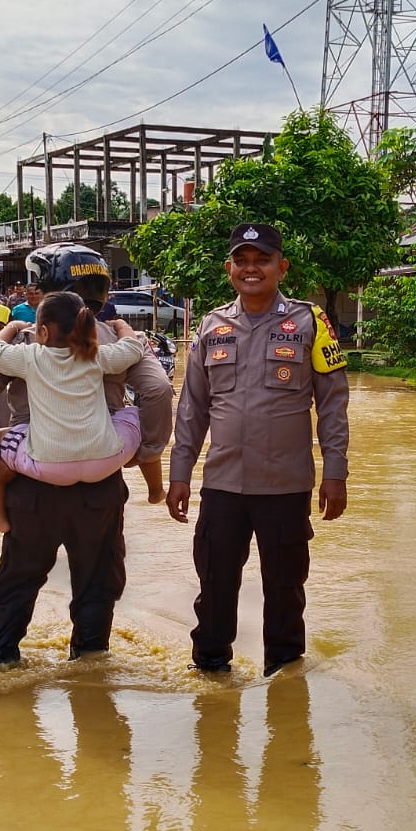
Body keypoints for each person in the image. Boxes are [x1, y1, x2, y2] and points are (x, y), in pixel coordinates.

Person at [0, 243, 174, 671]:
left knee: (18, 582)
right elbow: (156, 391)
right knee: (98, 582)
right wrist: (143, 452)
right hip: (99, 485)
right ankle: (91, 672)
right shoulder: (114, 340)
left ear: (44, 290)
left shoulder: (29, 340)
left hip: (33, 482)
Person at [167, 223, 349, 676]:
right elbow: (192, 407)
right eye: (242, 260)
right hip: (223, 486)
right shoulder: (212, 326)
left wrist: (336, 472)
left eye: (262, 260)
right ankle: (210, 677)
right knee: (215, 589)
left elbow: (333, 404)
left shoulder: (311, 322)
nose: (252, 269)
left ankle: (284, 683)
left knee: (286, 592)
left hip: (285, 487)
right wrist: (179, 473)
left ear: (281, 267)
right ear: (230, 268)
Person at [0, 292, 161, 534]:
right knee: (133, 413)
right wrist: (120, 325)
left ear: (41, 333)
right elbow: (132, 348)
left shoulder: (30, 357)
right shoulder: (95, 356)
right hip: (105, 462)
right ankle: (156, 489)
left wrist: (12, 327)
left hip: (48, 467)